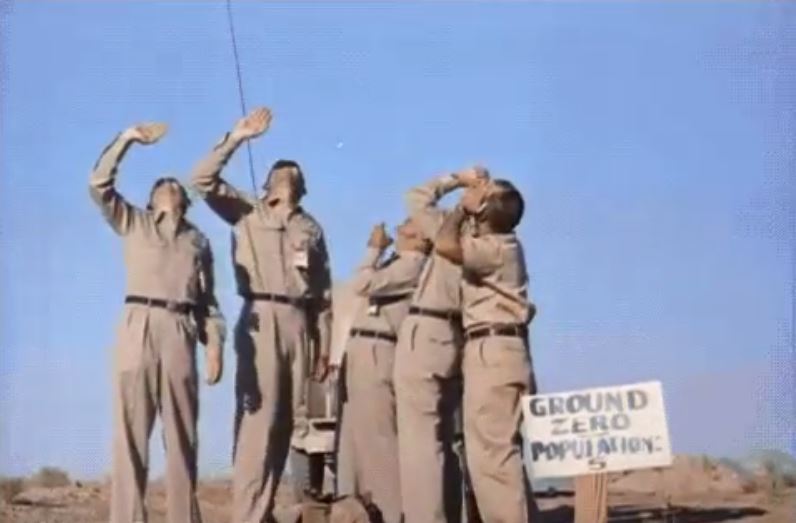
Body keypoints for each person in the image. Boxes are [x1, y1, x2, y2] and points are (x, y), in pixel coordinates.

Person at [190, 108, 333, 523]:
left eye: (295, 172)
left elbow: (323, 294)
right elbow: (201, 180)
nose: (288, 174)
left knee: (286, 422)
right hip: (260, 315)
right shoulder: (248, 212)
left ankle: (264, 508)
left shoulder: (312, 229)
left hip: (299, 324)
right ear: (266, 184)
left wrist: (323, 345)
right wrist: (238, 137)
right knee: (258, 421)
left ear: (303, 188)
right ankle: (248, 514)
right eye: (280, 170)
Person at [90, 123, 226, 523]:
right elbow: (99, 184)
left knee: (182, 435)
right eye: (160, 185)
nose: (169, 186)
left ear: (184, 200)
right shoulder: (134, 222)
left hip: (181, 329)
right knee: (131, 434)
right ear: (151, 201)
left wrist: (215, 343)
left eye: (175, 186)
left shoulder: (197, 242)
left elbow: (209, 302)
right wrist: (127, 139)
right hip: (138, 325)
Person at [435, 177, 537, 522]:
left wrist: (461, 208)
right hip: (502, 349)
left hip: (492, 350)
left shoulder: (496, 247)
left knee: (493, 459)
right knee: (495, 456)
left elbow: (445, 245)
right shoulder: (504, 246)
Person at [394, 167, 488, 523]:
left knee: (419, 443)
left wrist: (458, 180)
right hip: (455, 335)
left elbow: (415, 197)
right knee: (446, 441)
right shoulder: (491, 240)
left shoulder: (454, 228)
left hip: (427, 328)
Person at [341, 220, 430, 523]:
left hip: (379, 349)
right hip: (361, 346)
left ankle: (393, 514)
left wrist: (373, 250)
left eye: (410, 225)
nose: (401, 226)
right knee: (357, 444)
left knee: (379, 443)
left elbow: (363, 284)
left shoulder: (413, 266)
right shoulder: (397, 263)